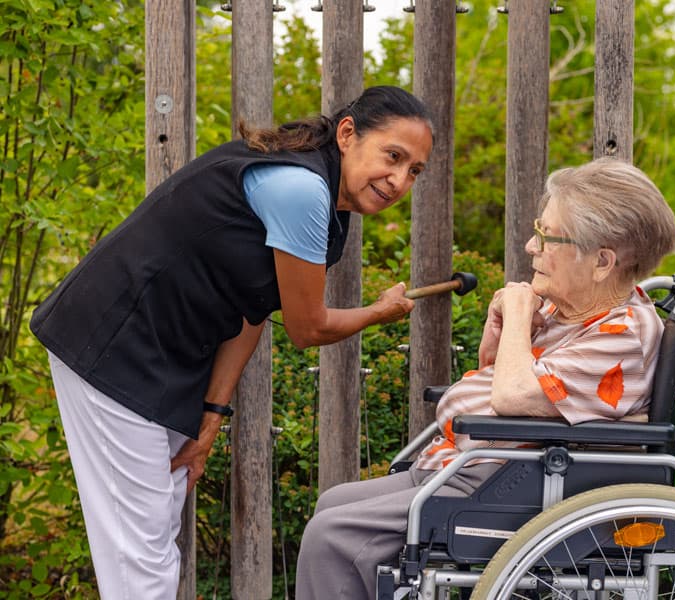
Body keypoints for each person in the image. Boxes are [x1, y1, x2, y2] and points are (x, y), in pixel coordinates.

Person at [29, 85, 433, 599]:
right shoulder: (302, 189)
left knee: (155, 529)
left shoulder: (329, 198)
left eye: (414, 170)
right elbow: (306, 329)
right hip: (111, 345)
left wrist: (212, 414)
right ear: (349, 134)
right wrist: (379, 312)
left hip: (162, 355)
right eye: (393, 156)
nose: (399, 180)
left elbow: (253, 308)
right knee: (140, 553)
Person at [294, 157, 675, 599]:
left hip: (510, 483)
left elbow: (514, 397)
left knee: (332, 536)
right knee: (333, 504)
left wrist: (517, 313)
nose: (531, 247)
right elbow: (499, 378)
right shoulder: (575, 311)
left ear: (601, 261)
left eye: (546, 236)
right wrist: (500, 332)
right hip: (477, 465)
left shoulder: (621, 335)